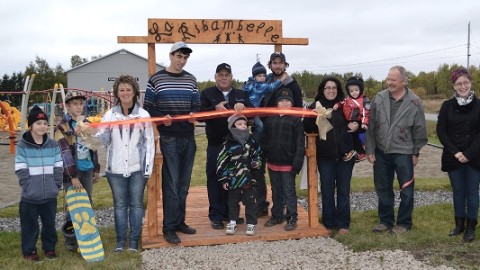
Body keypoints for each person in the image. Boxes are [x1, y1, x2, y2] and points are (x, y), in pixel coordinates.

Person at [143, 41, 200, 245]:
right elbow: (148, 106)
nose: (182, 61)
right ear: (171, 56)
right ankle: (168, 227)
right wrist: (161, 117)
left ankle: (179, 222)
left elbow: (197, 105)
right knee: (171, 185)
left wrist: (195, 114)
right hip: (169, 138)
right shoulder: (156, 79)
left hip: (188, 137)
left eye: (185, 58)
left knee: (183, 185)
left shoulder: (191, 80)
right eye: (179, 57)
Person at [95, 75, 154, 252]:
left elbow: (149, 143)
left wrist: (147, 170)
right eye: (122, 90)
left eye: (129, 89)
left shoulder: (143, 115)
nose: (125, 93)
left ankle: (134, 242)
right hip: (115, 170)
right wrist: (87, 135)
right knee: (120, 205)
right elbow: (102, 140)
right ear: (117, 93)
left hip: (137, 169)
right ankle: (121, 242)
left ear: (135, 92)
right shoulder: (110, 115)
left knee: (136, 204)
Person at [366, 65, 427, 234]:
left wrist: (415, 152)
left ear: (403, 81)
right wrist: (370, 150)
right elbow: (370, 127)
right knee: (383, 188)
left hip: (404, 152)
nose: (389, 83)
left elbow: (420, 130)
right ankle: (385, 221)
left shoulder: (414, 102)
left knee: (406, 190)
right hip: (381, 152)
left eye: (393, 80)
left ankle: (404, 223)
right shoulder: (379, 98)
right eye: (388, 79)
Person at [200, 63, 253, 230]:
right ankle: (216, 215)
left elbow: (253, 113)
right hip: (216, 144)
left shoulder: (241, 94)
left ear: (231, 77)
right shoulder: (207, 93)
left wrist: (244, 109)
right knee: (215, 179)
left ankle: (231, 214)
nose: (224, 77)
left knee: (235, 179)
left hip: (237, 146)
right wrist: (214, 109)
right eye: (220, 74)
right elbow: (200, 114)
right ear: (215, 76)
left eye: (227, 75)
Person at [304, 77, 358, 235]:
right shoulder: (315, 107)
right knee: (327, 191)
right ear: (322, 89)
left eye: (334, 87)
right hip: (325, 157)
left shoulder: (345, 105)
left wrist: (356, 127)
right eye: (328, 88)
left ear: (338, 89)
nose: (331, 90)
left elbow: (359, 123)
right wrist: (311, 117)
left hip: (346, 156)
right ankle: (328, 222)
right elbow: (307, 129)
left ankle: (343, 224)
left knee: (343, 191)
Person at [256, 51, 304, 217]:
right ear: (270, 65)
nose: (277, 66)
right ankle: (262, 205)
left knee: (286, 182)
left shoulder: (292, 85)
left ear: (285, 65)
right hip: (264, 129)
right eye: (274, 63)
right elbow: (257, 100)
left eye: (280, 63)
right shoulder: (264, 81)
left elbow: (298, 109)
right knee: (260, 170)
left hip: (286, 133)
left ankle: (289, 213)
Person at [54, 90, 101, 252]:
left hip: (87, 169)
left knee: (87, 203)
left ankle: (86, 236)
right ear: (67, 106)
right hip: (72, 173)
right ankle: (70, 239)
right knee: (73, 205)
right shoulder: (62, 127)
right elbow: (64, 154)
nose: (79, 107)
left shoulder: (86, 123)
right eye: (75, 104)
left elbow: (93, 147)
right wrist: (72, 176)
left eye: (81, 104)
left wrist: (96, 168)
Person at [437, 67, 480, 242]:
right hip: (453, 156)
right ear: (454, 86)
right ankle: (459, 225)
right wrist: (456, 152)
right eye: (459, 83)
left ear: (470, 83)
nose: (463, 86)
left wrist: (468, 154)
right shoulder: (447, 106)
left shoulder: (479, 105)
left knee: (472, 192)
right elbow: (441, 131)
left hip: (475, 157)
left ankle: (471, 227)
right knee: (458, 192)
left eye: (466, 82)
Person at [15, 106, 63, 262]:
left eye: (44, 123)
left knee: (49, 224)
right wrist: (27, 187)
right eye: (38, 123)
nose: (42, 126)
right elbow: (21, 168)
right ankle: (29, 251)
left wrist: (56, 185)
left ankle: (49, 248)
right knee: (30, 226)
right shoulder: (22, 145)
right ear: (31, 126)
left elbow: (58, 166)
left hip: (50, 194)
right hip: (30, 196)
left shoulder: (53, 145)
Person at [261, 88, 305, 231]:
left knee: (289, 191)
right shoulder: (270, 119)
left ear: (291, 103)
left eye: (287, 101)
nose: (285, 103)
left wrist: (297, 164)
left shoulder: (296, 120)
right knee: (276, 191)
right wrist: (265, 155)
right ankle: (277, 215)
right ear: (277, 103)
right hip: (273, 163)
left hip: (288, 164)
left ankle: (292, 217)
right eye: (282, 101)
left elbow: (300, 144)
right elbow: (264, 140)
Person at [217, 114, 262, 236]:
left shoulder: (252, 140)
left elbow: (258, 153)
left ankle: (251, 224)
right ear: (232, 126)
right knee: (232, 201)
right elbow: (221, 161)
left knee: (251, 202)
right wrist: (224, 178)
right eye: (239, 124)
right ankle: (232, 222)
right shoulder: (227, 142)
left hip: (249, 177)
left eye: (244, 124)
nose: (243, 126)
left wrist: (257, 162)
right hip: (233, 178)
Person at [242, 61, 286, 138]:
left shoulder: (251, 83)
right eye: (259, 76)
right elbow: (271, 87)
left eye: (263, 75)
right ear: (254, 77)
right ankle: (256, 140)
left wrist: (272, 74)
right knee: (261, 126)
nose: (262, 78)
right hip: (252, 111)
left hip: (249, 110)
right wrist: (282, 78)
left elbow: (267, 78)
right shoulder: (258, 86)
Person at [339, 76, 370, 162]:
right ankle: (361, 153)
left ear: (360, 89)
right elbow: (341, 103)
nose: (354, 93)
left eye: (356, 90)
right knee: (354, 137)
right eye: (351, 91)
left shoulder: (364, 100)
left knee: (345, 133)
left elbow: (366, 113)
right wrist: (336, 105)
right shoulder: (347, 99)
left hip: (358, 121)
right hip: (349, 120)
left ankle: (349, 150)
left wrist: (364, 123)